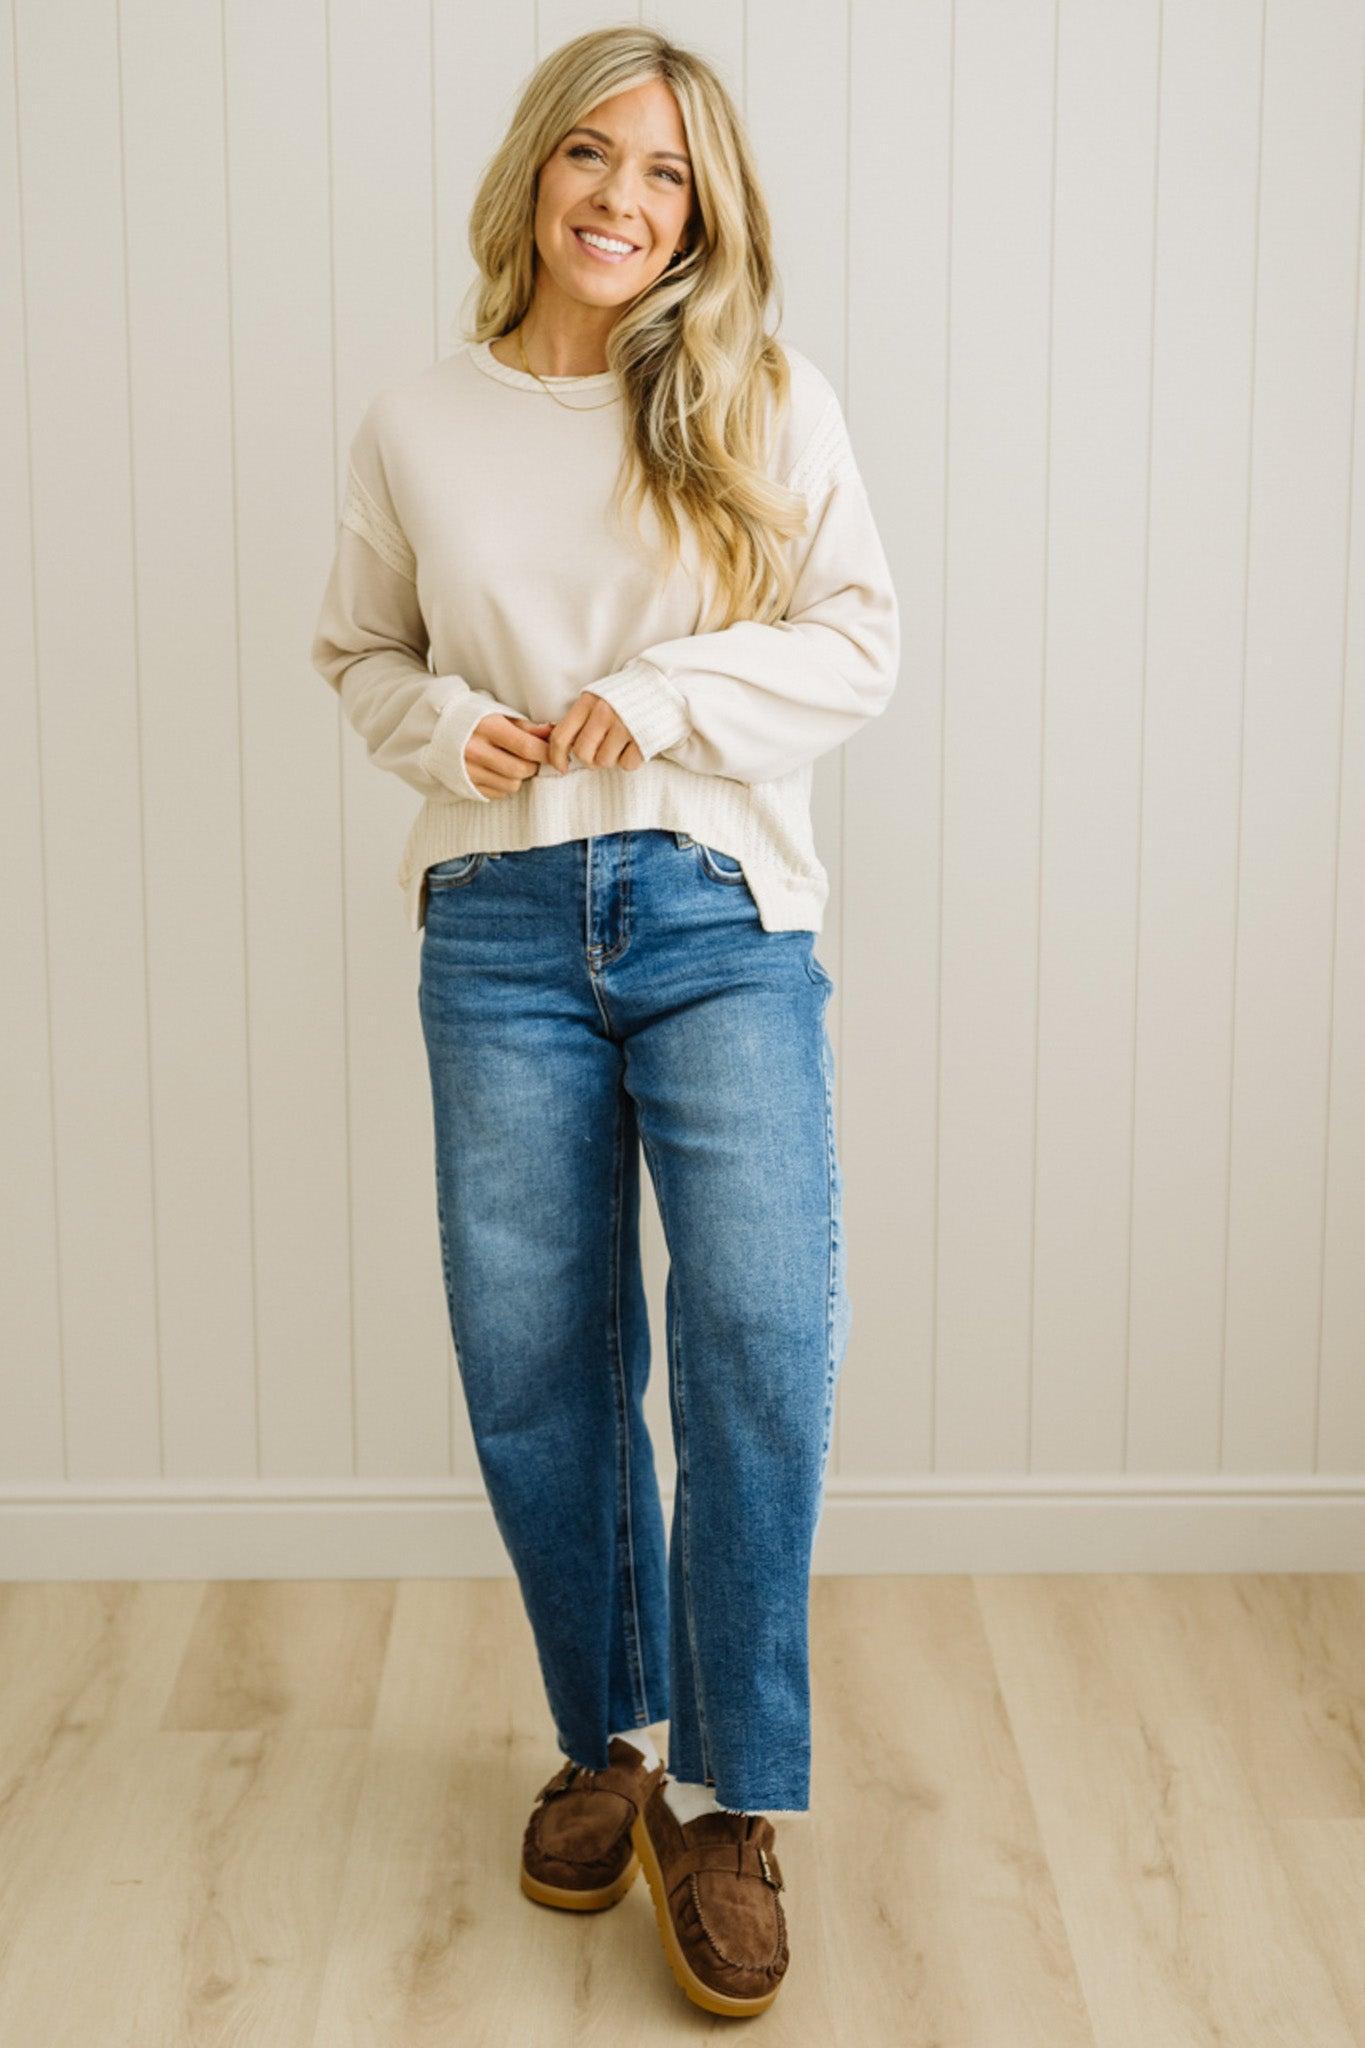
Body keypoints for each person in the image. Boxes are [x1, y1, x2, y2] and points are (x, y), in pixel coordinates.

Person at [310, 23, 899, 2020]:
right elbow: (357, 645)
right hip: (490, 919)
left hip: (718, 912)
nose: (621, 201)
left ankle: (730, 1797)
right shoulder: (417, 422)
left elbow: (856, 640)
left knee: (756, 1337)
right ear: (531, 177)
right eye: (591, 157)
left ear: (698, 214)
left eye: (664, 177)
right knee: (538, 1362)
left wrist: (651, 704)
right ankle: (611, 1741)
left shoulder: (759, 395)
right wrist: (434, 725)